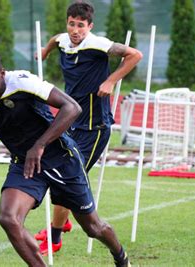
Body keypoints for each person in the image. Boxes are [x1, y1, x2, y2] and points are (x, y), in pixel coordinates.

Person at [0, 48, 131, 267]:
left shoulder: (22, 82)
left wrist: (40, 144)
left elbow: (72, 108)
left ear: (2, 73)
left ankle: (121, 258)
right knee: (9, 219)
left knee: (93, 228)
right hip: (26, 165)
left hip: (62, 159)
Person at [34, 0, 143, 253]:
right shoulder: (63, 39)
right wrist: (44, 52)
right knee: (61, 172)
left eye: (81, 26)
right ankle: (61, 226)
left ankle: (55, 237)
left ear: (89, 26)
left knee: (67, 176)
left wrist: (111, 80)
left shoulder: (97, 43)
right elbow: (54, 39)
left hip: (94, 127)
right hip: (70, 121)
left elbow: (135, 55)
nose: (75, 30)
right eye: (72, 24)